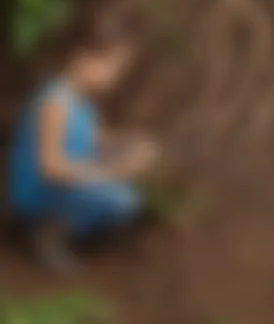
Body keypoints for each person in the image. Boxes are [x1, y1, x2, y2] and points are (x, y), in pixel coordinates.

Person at [6, 25, 159, 272]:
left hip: (66, 186)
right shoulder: (54, 102)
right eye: (111, 66)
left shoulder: (82, 102)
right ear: (83, 57)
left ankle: (68, 232)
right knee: (118, 199)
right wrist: (115, 171)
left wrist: (136, 144)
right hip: (39, 194)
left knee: (129, 197)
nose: (115, 77)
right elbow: (51, 168)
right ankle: (43, 231)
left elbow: (101, 142)